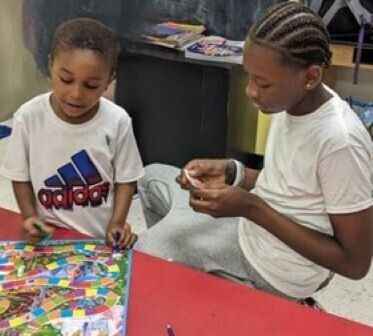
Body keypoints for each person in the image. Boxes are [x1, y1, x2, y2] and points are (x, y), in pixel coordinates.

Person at [135, 2, 373, 301]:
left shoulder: (340, 141)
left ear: (310, 77)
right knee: (151, 179)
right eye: (249, 76)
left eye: (263, 82)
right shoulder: (293, 102)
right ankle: (193, 283)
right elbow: (290, 188)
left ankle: (253, 300)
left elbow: (355, 263)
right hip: (253, 229)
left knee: (145, 254)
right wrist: (232, 172)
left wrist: (250, 207)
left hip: (276, 269)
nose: (250, 90)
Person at [0, 18, 144, 248]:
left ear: (110, 80)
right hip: (50, 239)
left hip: (98, 239)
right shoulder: (27, 117)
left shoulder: (118, 121)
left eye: (91, 85)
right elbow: (20, 176)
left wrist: (117, 222)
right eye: (66, 79)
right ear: (50, 66)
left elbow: (126, 180)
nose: (76, 94)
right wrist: (30, 217)